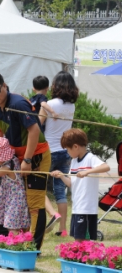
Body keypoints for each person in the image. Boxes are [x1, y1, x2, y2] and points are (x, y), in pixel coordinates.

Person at [0, 71, 51, 250]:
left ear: (4, 86)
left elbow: (34, 130)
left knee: (35, 204)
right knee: (21, 202)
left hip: (35, 156)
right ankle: (18, 242)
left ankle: (33, 249)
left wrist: (28, 159)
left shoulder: (18, 103)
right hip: (16, 160)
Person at [51, 128, 110, 241]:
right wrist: (61, 175)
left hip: (87, 208)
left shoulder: (90, 158)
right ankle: (80, 257)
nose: (67, 152)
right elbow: (70, 183)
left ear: (76, 147)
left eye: (68, 149)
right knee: (77, 237)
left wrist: (87, 172)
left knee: (83, 240)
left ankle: (84, 257)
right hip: (77, 207)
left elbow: (105, 167)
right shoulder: (73, 162)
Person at [40, 71, 79, 237]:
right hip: (65, 152)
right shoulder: (71, 106)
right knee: (60, 191)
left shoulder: (49, 104)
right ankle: (62, 229)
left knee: (37, 187)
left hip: (49, 151)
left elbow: (37, 125)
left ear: (56, 85)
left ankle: (52, 214)